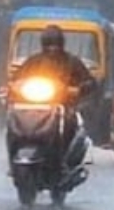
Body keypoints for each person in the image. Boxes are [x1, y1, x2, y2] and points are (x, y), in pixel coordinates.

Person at [8, 24, 96, 158]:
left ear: (61, 44)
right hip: (34, 107)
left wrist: (78, 89)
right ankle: (13, 156)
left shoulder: (71, 62)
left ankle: (65, 158)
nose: (52, 48)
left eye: (55, 45)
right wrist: (11, 88)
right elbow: (16, 79)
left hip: (63, 105)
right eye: (49, 45)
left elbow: (90, 82)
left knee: (71, 124)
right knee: (12, 121)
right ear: (43, 45)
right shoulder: (33, 62)